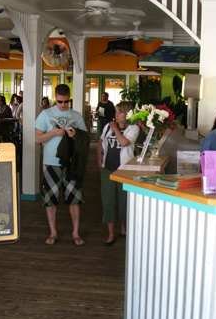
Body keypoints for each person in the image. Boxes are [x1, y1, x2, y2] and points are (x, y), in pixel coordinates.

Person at [34, 84, 87, 246]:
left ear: (69, 98)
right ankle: (53, 232)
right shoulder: (45, 114)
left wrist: (74, 135)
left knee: (74, 199)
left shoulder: (76, 115)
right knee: (50, 199)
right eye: (60, 102)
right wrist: (52, 133)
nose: (63, 105)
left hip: (71, 163)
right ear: (54, 99)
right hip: (51, 162)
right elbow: (37, 139)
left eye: (66, 102)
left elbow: (84, 139)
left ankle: (75, 233)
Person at [97, 101, 139, 246]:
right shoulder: (108, 126)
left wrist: (116, 129)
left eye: (119, 112)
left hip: (124, 170)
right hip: (108, 168)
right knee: (108, 200)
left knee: (123, 200)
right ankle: (110, 233)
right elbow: (100, 142)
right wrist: (99, 160)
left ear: (127, 114)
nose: (116, 115)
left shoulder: (133, 128)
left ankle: (122, 228)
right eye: (116, 112)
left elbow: (124, 143)